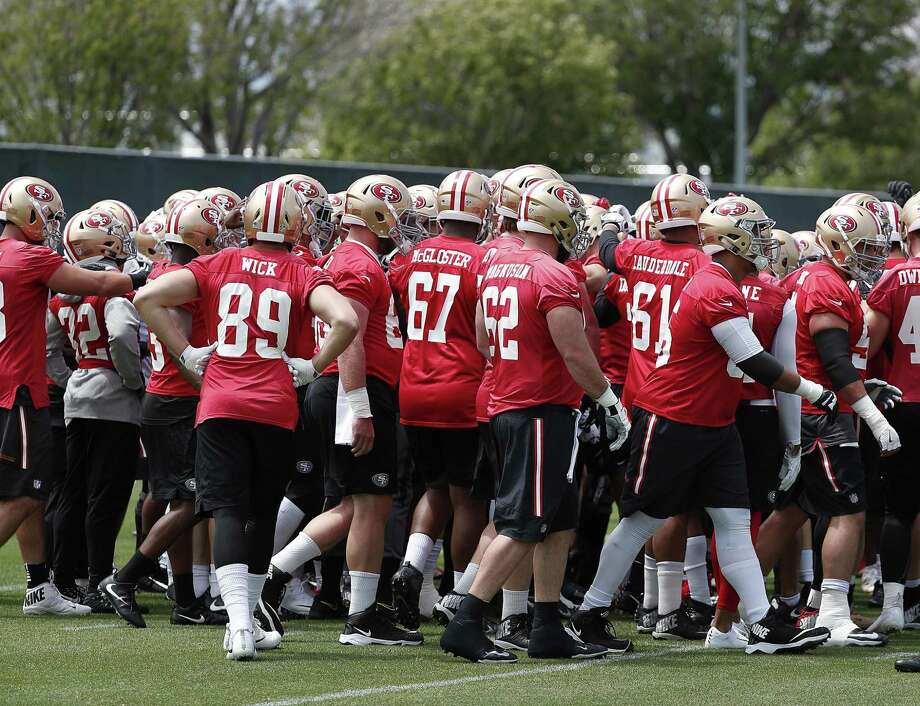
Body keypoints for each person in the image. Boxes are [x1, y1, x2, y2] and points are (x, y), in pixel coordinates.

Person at [571, 192, 839, 655]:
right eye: (754, 234)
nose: (762, 243)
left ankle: (760, 624)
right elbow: (752, 360)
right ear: (732, 241)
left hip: (713, 422)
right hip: (673, 417)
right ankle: (590, 612)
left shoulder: (718, 280)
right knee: (640, 521)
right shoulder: (713, 284)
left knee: (735, 523)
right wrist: (817, 392)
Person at [134, 178, 358, 661]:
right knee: (259, 512)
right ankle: (245, 620)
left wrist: (187, 353)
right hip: (274, 407)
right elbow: (346, 321)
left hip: (219, 405)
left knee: (228, 511)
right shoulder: (301, 271)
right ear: (297, 225)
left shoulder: (220, 262)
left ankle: (240, 625)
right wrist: (314, 366)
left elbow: (146, 298)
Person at [440, 179, 630, 664]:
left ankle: (546, 625)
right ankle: (467, 619)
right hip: (540, 410)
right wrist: (609, 400)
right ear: (557, 222)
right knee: (524, 522)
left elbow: (484, 339)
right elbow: (575, 352)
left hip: (507, 402)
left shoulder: (496, 262)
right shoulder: (554, 274)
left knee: (559, 520)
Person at [261, 175, 425, 647]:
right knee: (368, 504)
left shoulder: (349, 256)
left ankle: (347, 608)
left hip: (343, 389)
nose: (404, 225)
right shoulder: (356, 261)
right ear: (379, 215)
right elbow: (348, 335)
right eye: (398, 215)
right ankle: (351, 613)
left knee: (356, 504)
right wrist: (361, 407)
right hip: (351, 388)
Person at [0, 176, 147, 616]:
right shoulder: (29, 257)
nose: (51, 226)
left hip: (21, 386)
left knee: (38, 492)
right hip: (18, 390)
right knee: (26, 494)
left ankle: (39, 586)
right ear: (30, 213)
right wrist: (146, 273)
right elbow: (103, 287)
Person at [754, 203, 897, 647]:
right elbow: (833, 362)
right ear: (837, 244)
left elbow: (826, 357)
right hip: (823, 416)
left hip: (808, 411)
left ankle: (742, 605)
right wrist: (872, 416)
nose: (875, 256)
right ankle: (833, 614)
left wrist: (861, 383)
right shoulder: (826, 283)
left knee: (791, 511)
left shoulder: (814, 277)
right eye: (867, 247)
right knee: (848, 510)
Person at [100, 197, 231, 628]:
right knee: (193, 502)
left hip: (164, 400)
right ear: (201, 239)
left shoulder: (161, 270)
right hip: (178, 400)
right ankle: (126, 578)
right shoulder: (180, 280)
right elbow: (182, 351)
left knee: (181, 500)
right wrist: (208, 390)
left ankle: (187, 601)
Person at [597, 174, 713, 638]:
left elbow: (608, 254)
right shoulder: (703, 265)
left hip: (639, 394)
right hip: (680, 395)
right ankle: (663, 608)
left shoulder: (636, 256)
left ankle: (652, 603)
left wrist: (609, 225)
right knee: (665, 509)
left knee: (651, 507)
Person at [388, 170, 491, 630]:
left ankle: (412, 567)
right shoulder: (483, 260)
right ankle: (459, 594)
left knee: (433, 490)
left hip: (414, 384)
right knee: (468, 500)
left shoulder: (411, 258)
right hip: (462, 389)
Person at [47, 207, 146, 613]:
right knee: (105, 496)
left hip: (79, 395)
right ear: (103, 244)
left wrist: (67, 378)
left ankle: (63, 576)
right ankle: (97, 581)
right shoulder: (112, 289)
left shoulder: (62, 295)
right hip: (113, 398)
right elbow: (123, 335)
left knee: (74, 491)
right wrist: (133, 380)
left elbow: (45, 349)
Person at [865, 197, 920, 634]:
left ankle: (894, 605)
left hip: (903, 405)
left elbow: (869, 342)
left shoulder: (892, 278)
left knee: (898, 511)